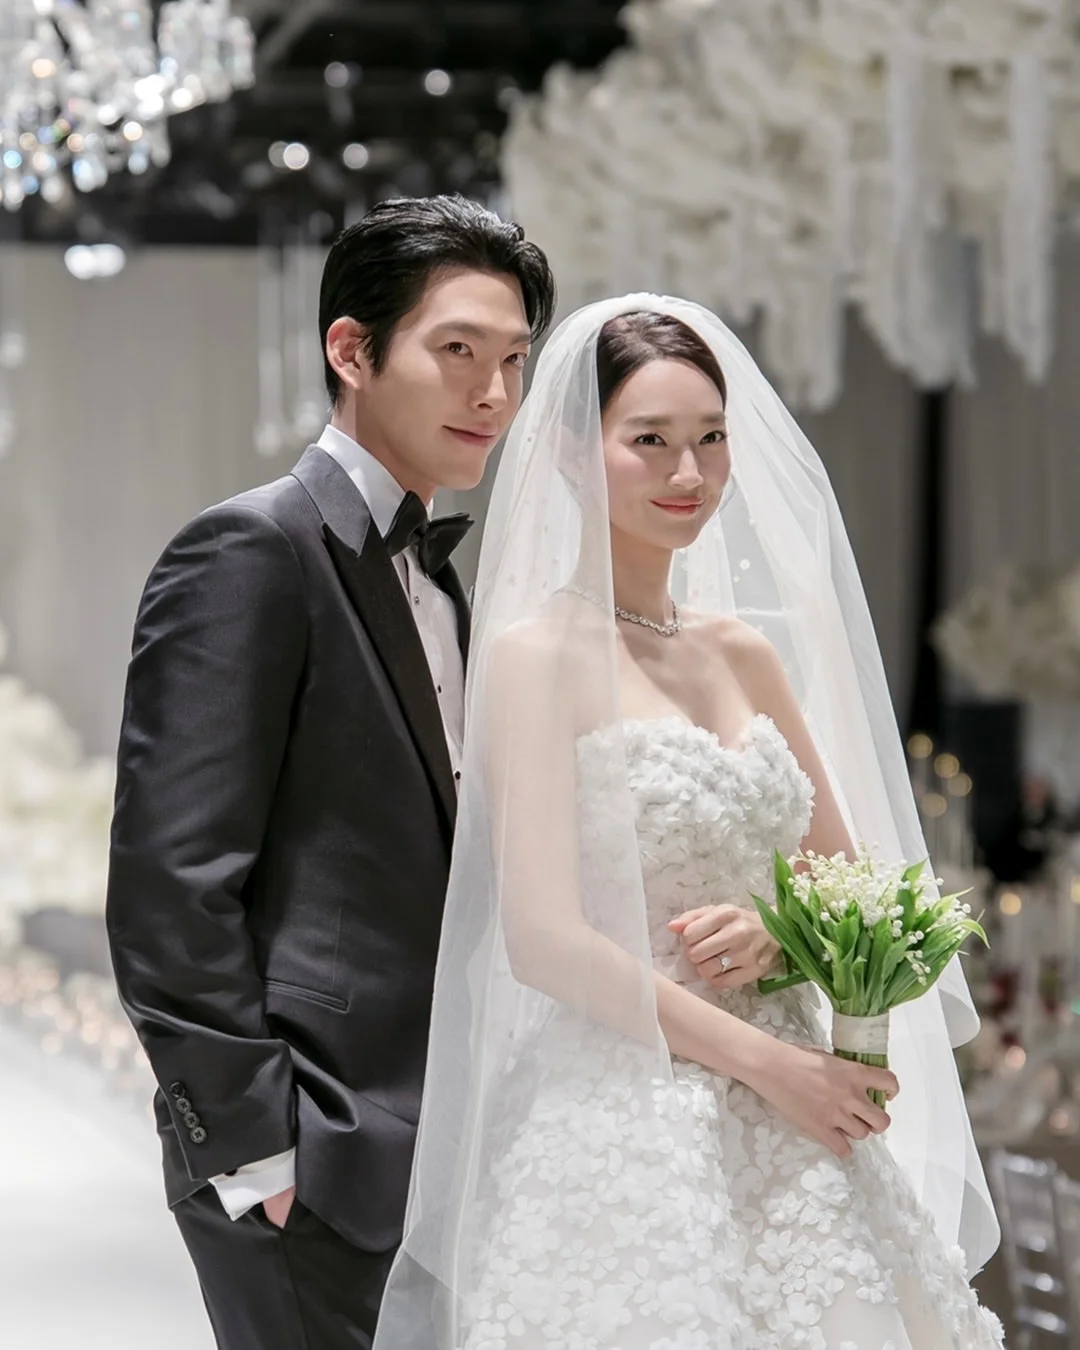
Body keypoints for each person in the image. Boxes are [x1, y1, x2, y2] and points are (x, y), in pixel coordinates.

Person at [373, 297, 1006, 1348]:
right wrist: (769, 1067)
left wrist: (779, 932)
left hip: (800, 1113)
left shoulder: (742, 652)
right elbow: (544, 940)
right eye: (651, 441)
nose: (689, 473)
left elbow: (856, 885)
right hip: (629, 1102)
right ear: (572, 454)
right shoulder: (538, 656)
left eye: (711, 439)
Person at [105, 194, 556, 1350]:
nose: (494, 394)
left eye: (514, 360)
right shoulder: (251, 550)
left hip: (440, 1148)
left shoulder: (440, 582)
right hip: (311, 1160)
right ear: (351, 351)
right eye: (458, 351)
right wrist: (256, 1154)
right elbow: (170, 887)